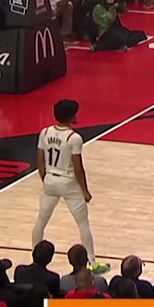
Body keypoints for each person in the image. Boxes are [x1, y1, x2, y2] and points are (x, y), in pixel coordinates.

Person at [32, 99, 103, 272]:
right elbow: (78, 166)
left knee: (41, 221)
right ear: (71, 116)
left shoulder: (44, 132)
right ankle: (92, 263)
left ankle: (35, 260)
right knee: (82, 223)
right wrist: (85, 190)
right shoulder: (74, 138)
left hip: (50, 179)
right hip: (68, 182)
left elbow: (40, 159)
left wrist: (45, 178)